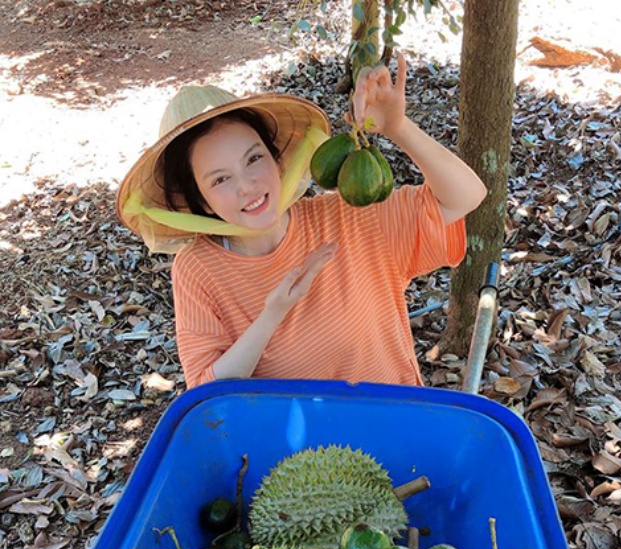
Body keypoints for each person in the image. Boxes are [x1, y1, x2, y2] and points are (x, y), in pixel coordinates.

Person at [117, 55, 486, 389]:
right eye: (220, 180)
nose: (248, 187)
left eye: (253, 159)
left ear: (277, 160)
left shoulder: (349, 216)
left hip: (394, 431)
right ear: (199, 200)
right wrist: (273, 312)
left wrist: (399, 128)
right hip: (292, 453)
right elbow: (207, 390)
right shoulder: (198, 270)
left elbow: (466, 196)